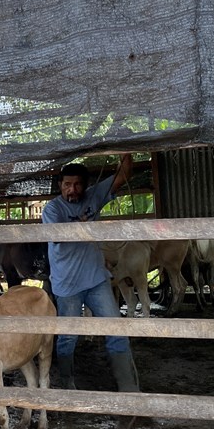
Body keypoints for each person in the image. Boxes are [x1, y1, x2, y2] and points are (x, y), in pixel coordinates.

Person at [41, 154, 140, 394]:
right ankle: (67, 382)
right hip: (67, 285)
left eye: (77, 184)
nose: (72, 189)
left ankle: (129, 387)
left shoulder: (94, 196)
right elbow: (58, 236)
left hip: (96, 279)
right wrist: (82, 226)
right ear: (60, 185)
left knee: (116, 330)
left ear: (85, 185)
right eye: (67, 184)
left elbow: (123, 174)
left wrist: (124, 150)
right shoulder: (52, 209)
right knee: (68, 337)